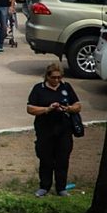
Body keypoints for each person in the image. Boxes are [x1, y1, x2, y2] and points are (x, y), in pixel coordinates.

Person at [26, 63, 82, 198]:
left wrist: (68, 108)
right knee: (46, 159)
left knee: (63, 159)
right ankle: (44, 186)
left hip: (64, 130)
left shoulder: (66, 87)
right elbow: (30, 108)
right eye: (54, 77)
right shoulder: (39, 89)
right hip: (45, 130)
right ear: (47, 76)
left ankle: (61, 187)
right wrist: (47, 109)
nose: (57, 80)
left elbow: (78, 105)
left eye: (59, 77)